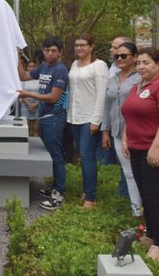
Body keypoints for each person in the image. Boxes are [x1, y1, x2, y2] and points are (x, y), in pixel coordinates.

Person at [120, 47, 159, 262]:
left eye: (146, 63)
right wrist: (126, 139)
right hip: (136, 149)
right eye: (138, 63)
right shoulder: (137, 87)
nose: (141, 67)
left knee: (154, 196)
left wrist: (156, 147)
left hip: (157, 150)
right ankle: (150, 234)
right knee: (146, 194)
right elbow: (130, 115)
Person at [18, 36, 69, 211]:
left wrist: (28, 95)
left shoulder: (60, 70)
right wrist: (18, 55)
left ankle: (59, 194)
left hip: (55, 118)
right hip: (45, 118)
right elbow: (23, 75)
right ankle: (54, 188)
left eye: (54, 50)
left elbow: (53, 97)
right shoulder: (45, 67)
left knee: (57, 156)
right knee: (53, 154)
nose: (50, 53)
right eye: (47, 50)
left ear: (60, 52)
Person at [101, 42, 143, 218]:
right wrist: (105, 130)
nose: (119, 59)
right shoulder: (112, 78)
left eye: (123, 55)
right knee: (127, 172)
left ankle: (142, 210)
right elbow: (107, 106)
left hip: (137, 133)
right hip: (117, 132)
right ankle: (136, 210)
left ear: (134, 57)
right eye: (116, 56)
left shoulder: (141, 78)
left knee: (139, 172)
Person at [66, 33, 108, 209]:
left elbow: (101, 94)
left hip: (89, 118)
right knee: (83, 156)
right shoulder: (75, 64)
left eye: (83, 45)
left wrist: (96, 120)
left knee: (88, 156)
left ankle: (91, 198)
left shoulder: (99, 66)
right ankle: (86, 189)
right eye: (77, 45)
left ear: (91, 46)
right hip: (74, 117)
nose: (79, 48)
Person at [19, 58, 40, 136]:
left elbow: (43, 92)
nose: (32, 68)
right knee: (25, 128)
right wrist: (29, 104)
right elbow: (20, 92)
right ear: (27, 68)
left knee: (36, 128)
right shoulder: (23, 78)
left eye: (33, 66)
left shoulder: (40, 78)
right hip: (25, 105)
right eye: (30, 66)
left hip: (38, 104)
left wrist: (36, 104)